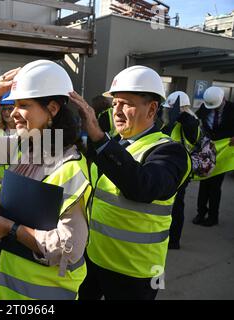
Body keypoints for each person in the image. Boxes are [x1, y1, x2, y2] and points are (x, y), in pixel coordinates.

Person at [0, 60, 92, 300]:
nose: (13, 113)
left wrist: (8, 228)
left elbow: (68, 250)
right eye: (13, 104)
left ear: (53, 109)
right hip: (2, 281)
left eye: (23, 105)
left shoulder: (68, 167)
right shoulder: (25, 146)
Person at [71, 65, 191, 300]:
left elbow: (142, 187)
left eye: (127, 103)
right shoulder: (112, 144)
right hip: (94, 258)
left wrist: (99, 139)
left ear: (152, 108)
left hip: (136, 272)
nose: (117, 110)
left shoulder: (169, 151)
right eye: (115, 103)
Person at [161, 91, 200, 249]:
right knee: (170, 204)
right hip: (170, 167)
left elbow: (190, 128)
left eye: (170, 109)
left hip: (181, 170)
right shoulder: (173, 121)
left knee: (177, 206)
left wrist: (180, 112)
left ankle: (174, 240)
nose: (168, 111)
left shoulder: (189, 123)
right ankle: (168, 234)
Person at [193, 86, 234, 227]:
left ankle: (212, 217)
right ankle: (200, 213)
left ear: (223, 99)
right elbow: (197, 121)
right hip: (207, 150)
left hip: (223, 152)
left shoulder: (232, 109)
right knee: (204, 183)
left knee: (215, 186)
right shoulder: (205, 107)